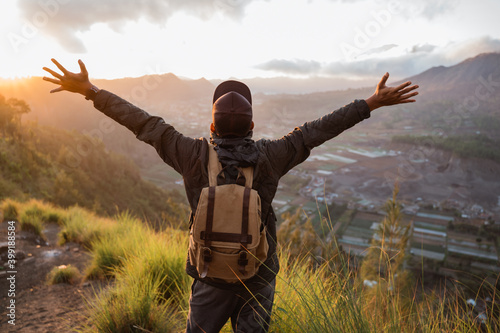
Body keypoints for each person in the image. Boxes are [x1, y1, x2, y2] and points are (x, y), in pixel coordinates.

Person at [42, 58, 419, 333]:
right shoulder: (272, 156)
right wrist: (370, 103)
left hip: (208, 273)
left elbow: (143, 123)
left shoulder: (190, 154)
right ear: (252, 126)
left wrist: (91, 91)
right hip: (258, 275)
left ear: (211, 125)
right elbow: (316, 132)